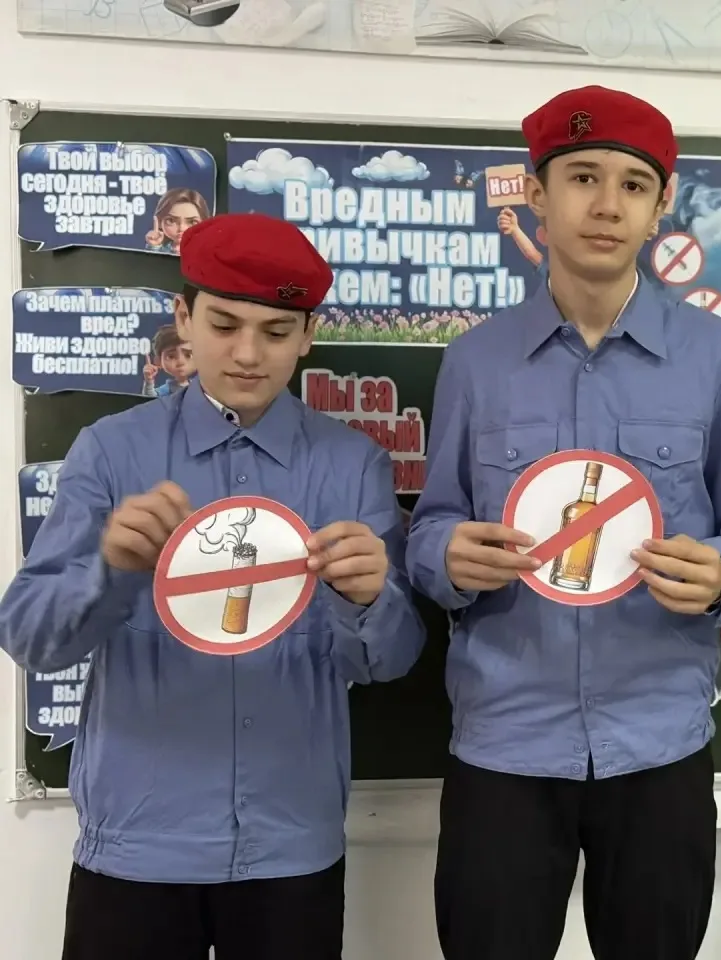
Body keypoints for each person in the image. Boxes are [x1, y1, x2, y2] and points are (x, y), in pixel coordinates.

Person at [408, 85, 721, 960]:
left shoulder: (719, 358)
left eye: (633, 184)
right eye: (582, 177)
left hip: (658, 743)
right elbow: (429, 528)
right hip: (506, 744)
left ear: (661, 207)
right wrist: (448, 557)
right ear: (536, 195)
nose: (607, 204)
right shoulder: (474, 362)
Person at [0, 211, 427, 960]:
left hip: (290, 849)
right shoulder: (112, 452)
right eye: (225, 325)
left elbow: (386, 662)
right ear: (183, 318)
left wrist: (369, 601)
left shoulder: (350, 464)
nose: (248, 354)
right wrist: (108, 572)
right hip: (136, 846)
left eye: (276, 331)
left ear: (308, 335)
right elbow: (29, 638)